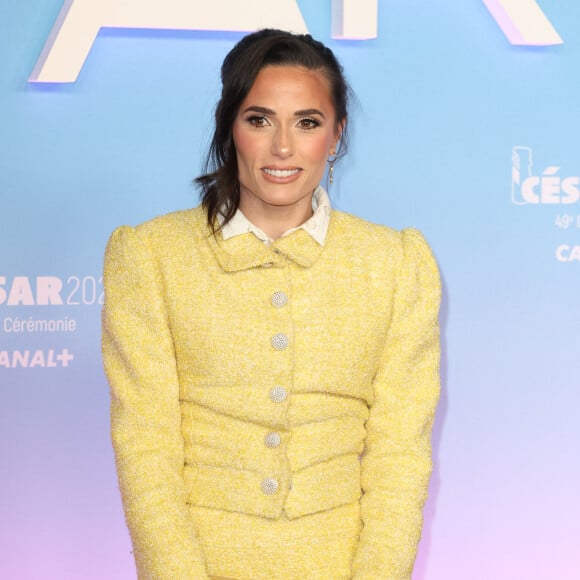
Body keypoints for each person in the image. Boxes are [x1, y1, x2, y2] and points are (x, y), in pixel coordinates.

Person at [102, 28, 441, 580]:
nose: (282, 147)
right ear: (229, 126)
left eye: (307, 122)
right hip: (197, 563)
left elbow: (399, 455)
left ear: (336, 136)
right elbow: (145, 444)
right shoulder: (150, 256)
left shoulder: (396, 262)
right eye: (259, 119)